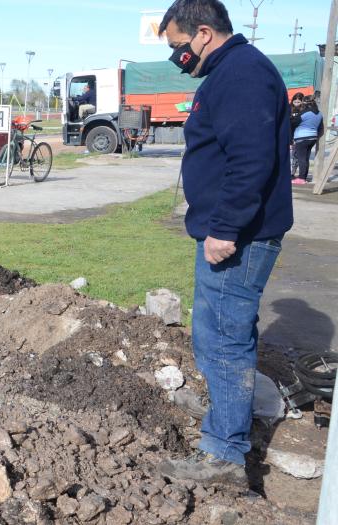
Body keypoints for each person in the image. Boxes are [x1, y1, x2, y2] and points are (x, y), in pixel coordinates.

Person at [156, 0, 292, 487]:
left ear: (205, 34)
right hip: (232, 230)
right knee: (217, 332)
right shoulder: (234, 70)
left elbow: (250, 161)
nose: (178, 57)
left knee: (224, 340)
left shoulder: (241, 75)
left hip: (239, 236)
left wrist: (225, 229)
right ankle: (226, 410)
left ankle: (224, 456)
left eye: (178, 47)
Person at [292, 99, 323, 185]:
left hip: (302, 137)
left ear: (305, 105)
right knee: (306, 158)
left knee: (301, 158)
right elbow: (321, 128)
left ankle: (301, 178)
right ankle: (304, 178)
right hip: (313, 138)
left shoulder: (304, 113)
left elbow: (293, 123)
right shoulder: (319, 114)